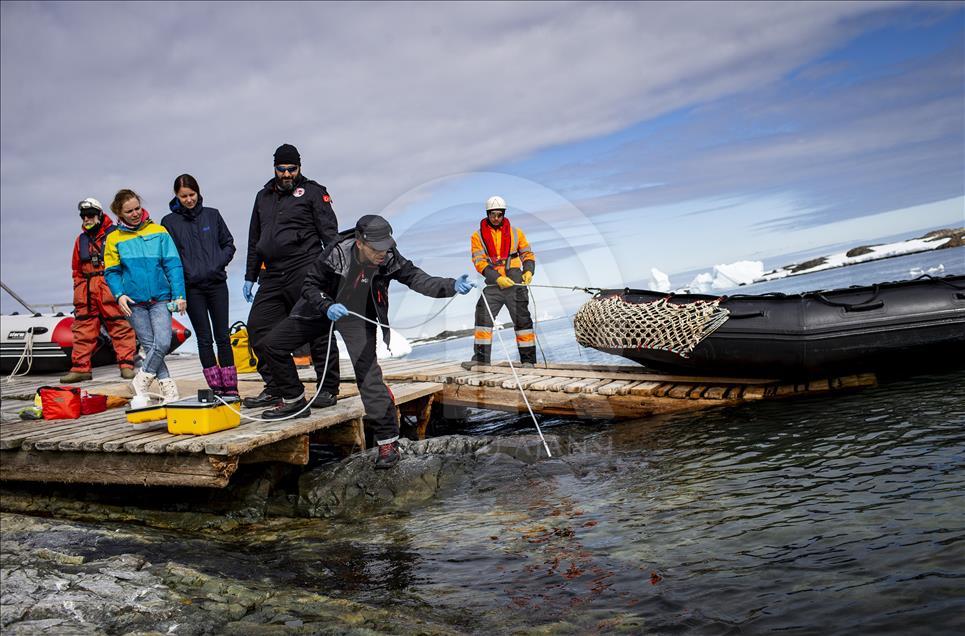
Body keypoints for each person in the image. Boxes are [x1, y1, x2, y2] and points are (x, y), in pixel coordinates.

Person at [260, 214, 475, 468]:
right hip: (322, 308)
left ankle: (388, 442)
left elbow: (418, 279)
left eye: (386, 245)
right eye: (377, 248)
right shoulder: (337, 252)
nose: (383, 252)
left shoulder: (390, 256)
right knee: (270, 345)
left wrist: (451, 286)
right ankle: (295, 400)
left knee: (368, 375)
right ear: (360, 243)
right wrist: (326, 305)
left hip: (357, 316)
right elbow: (309, 285)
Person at [242, 143, 340, 409]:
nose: (286, 174)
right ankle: (279, 388)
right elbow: (255, 239)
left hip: (305, 267)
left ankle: (327, 388)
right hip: (272, 273)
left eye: (291, 169)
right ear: (274, 168)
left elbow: (331, 236)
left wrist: (333, 272)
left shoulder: (313, 192)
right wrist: (250, 275)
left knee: (317, 329)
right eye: (281, 169)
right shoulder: (263, 196)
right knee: (259, 328)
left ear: (299, 167)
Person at [103, 189, 186, 403]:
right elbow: (112, 271)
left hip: (161, 299)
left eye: (137, 208)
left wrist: (179, 295)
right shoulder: (113, 239)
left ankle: (141, 380)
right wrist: (119, 295)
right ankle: (169, 391)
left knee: (163, 343)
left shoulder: (159, 231)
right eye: (129, 211)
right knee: (150, 347)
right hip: (133, 303)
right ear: (119, 214)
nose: (135, 213)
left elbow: (173, 265)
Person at [161, 174, 238, 397]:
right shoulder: (169, 222)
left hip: (216, 285)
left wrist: (217, 264)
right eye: (183, 196)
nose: (188, 200)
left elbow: (229, 244)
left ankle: (231, 388)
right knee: (204, 338)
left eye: (192, 194)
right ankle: (216, 388)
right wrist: (181, 283)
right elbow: (169, 257)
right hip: (192, 288)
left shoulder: (212, 215)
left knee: (223, 335)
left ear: (198, 192)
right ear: (176, 196)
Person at [59, 197, 138, 383]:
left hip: (109, 287)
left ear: (100, 215)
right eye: (83, 216)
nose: (86, 219)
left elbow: (126, 264)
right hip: (87, 291)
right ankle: (80, 369)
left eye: (90, 215)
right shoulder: (80, 241)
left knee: (120, 325)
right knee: (83, 330)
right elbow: (76, 270)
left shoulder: (116, 234)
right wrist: (79, 289)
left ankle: (126, 365)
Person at [463, 195, 537, 369]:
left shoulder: (516, 233)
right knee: (482, 315)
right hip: (493, 282)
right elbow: (479, 262)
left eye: (499, 215)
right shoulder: (477, 236)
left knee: (522, 320)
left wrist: (528, 271)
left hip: (515, 279)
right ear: (487, 214)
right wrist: (497, 278)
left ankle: (528, 361)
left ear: (504, 214)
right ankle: (481, 360)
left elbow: (527, 254)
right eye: (492, 215)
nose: (496, 218)